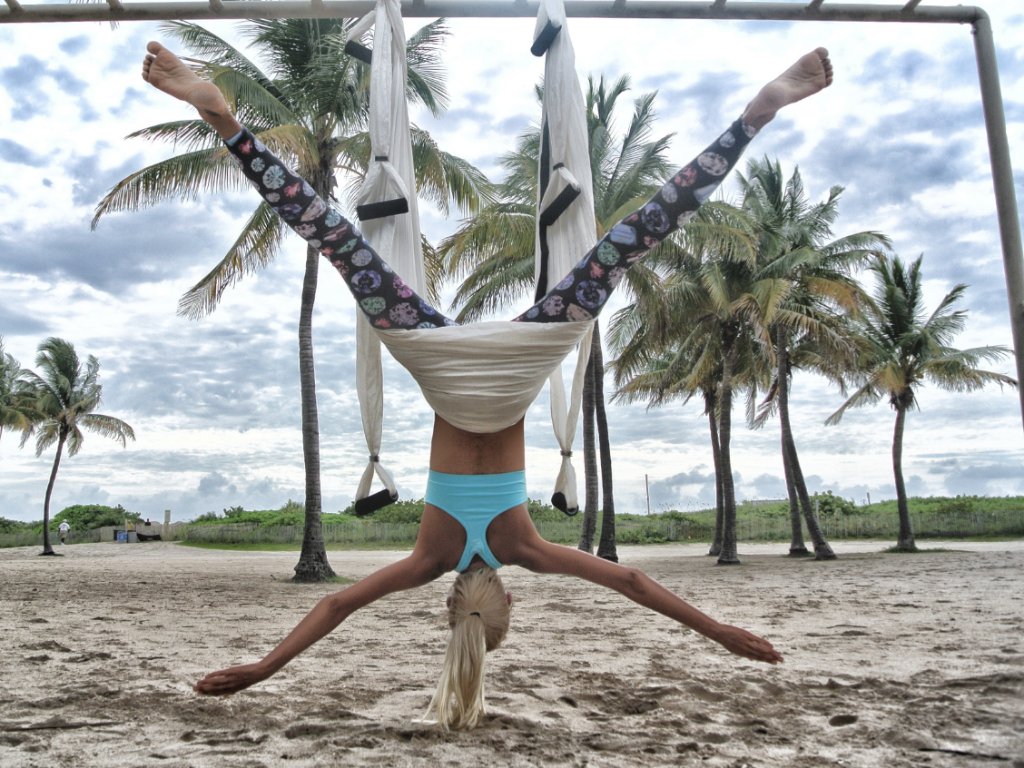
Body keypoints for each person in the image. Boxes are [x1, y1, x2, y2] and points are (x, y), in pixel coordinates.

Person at [142, 41, 833, 729]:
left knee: (634, 237)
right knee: (333, 238)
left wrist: (721, 632)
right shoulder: (429, 558)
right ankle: (227, 123)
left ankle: (756, 114)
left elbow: (632, 582)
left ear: (508, 597)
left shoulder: (526, 548)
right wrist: (263, 666)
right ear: (450, 606)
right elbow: (336, 605)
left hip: (523, 363)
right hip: (435, 359)